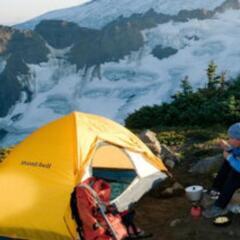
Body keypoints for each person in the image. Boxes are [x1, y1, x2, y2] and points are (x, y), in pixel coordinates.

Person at [203, 122, 240, 218]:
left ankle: (219, 207)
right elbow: (237, 151)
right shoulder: (237, 144)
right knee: (227, 164)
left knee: (234, 176)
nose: (229, 139)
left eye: (231, 138)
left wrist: (230, 158)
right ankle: (216, 191)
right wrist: (228, 147)